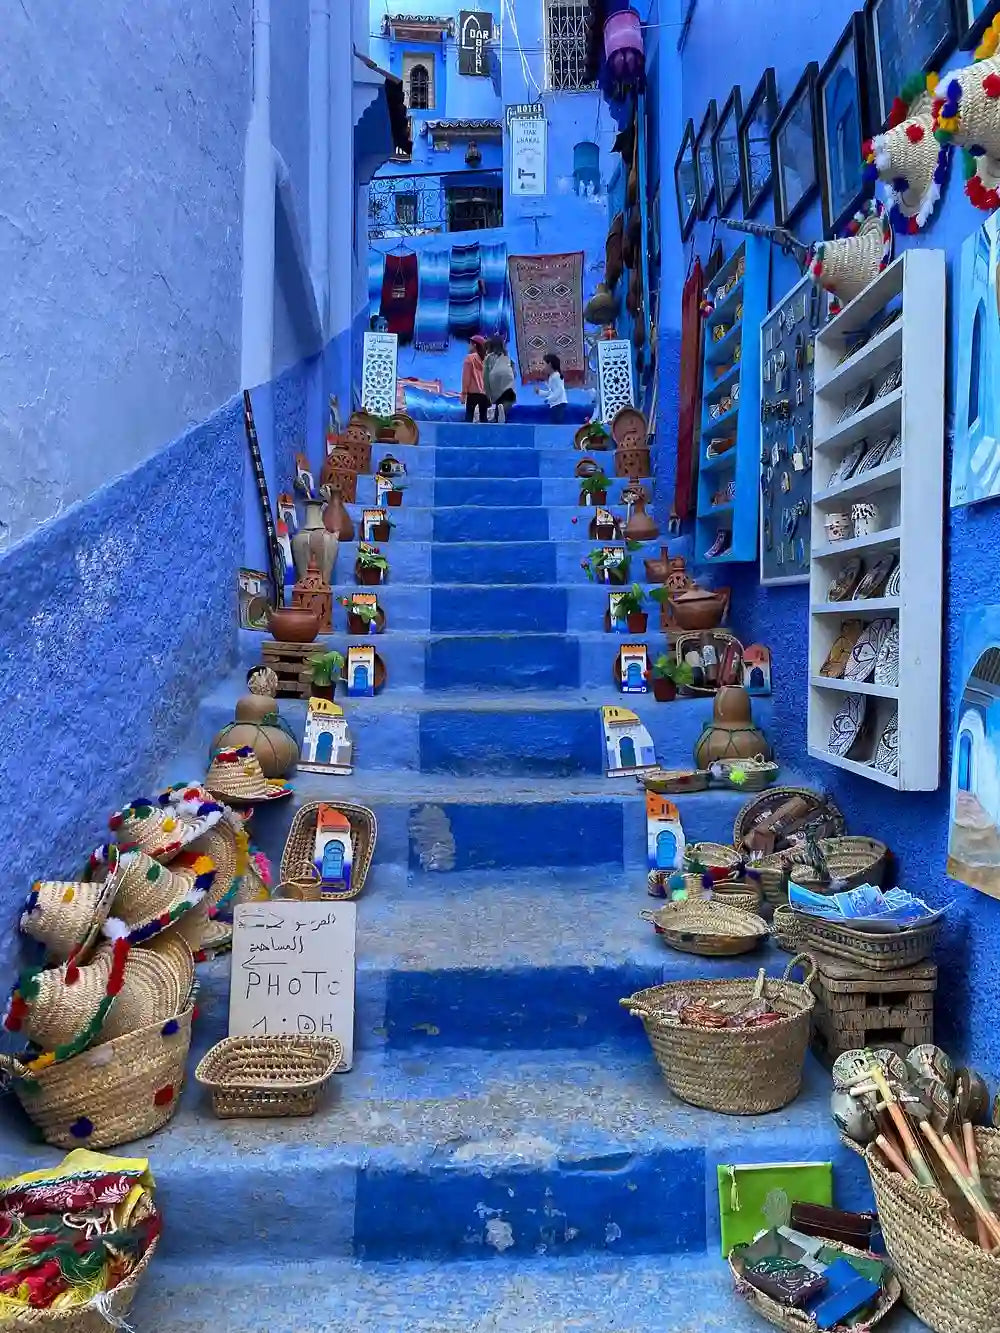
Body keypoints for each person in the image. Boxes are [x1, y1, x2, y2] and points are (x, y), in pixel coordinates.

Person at [484, 337, 516, 423]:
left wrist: (487, 394)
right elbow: (514, 373)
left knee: (499, 401)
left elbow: (486, 377)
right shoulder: (507, 356)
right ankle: (502, 413)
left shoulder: (489, 358)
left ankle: (498, 415)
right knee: (508, 400)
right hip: (508, 386)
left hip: (496, 386)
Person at [461, 335, 488, 422]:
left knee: (469, 418)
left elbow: (466, 378)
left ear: (474, 345)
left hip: (472, 394)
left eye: (470, 344)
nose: (468, 346)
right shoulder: (486, 359)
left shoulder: (469, 358)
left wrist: (463, 394)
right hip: (484, 394)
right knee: (484, 418)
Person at [536, 352, 568, 423]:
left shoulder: (556, 376)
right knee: (554, 421)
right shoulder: (552, 377)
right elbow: (551, 392)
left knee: (556, 423)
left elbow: (559, 390)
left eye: (544, 364)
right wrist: (540, 392)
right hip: (555, 404)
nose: (543, 367)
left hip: (559, 404)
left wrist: (549, 399)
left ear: (549, 364)